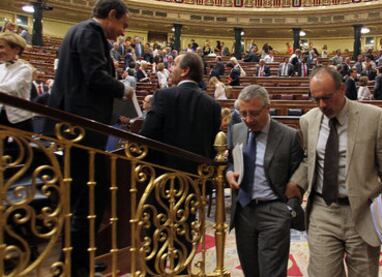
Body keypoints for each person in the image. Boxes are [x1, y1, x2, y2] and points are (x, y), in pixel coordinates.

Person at [287, 66, 382, 277]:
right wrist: (296, 182)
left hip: (363, 211)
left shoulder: (374, 118)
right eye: (317, 100)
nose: (322, 105)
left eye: (327, 97)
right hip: (323, 211)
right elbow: (310, 160)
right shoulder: (308, 121)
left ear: (342, 89)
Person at [46, 1, 133, 276]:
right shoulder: (90, 34)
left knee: (83, 197)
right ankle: (76, 266)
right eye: (123, 25)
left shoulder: (78, 31)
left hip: (76, 128)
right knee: (86, 197)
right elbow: (95, 76)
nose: (122, 32)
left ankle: (77, 258)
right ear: (111, 16)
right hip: (83, 128)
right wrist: (124, 88)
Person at [140, 52, 221, 275]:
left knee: (155, 234)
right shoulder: (212, 106)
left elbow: (147, 136)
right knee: (184, 234)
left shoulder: (164, 95)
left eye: (174, 64)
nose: (171, 68)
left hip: (161, 181)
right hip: (192, 183)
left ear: (185, 70)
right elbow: (211, 147)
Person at [226, 85, 303, 277]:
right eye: (243, 114)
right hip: (243, 211)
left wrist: (288, 211)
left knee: (272, 272)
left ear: (268, 108)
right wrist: (229, 173)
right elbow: (229, 162)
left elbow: (300, 176)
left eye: (254, 113)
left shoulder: (289, 136)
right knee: (250, 270)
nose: (248, 119)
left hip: (274, 211)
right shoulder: (236, 130)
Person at [0, 32, 33, 131]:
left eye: (1, 47)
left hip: (19, 120)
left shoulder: (25, 69)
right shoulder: (1, 67)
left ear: (16, 49)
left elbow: (10, 88)